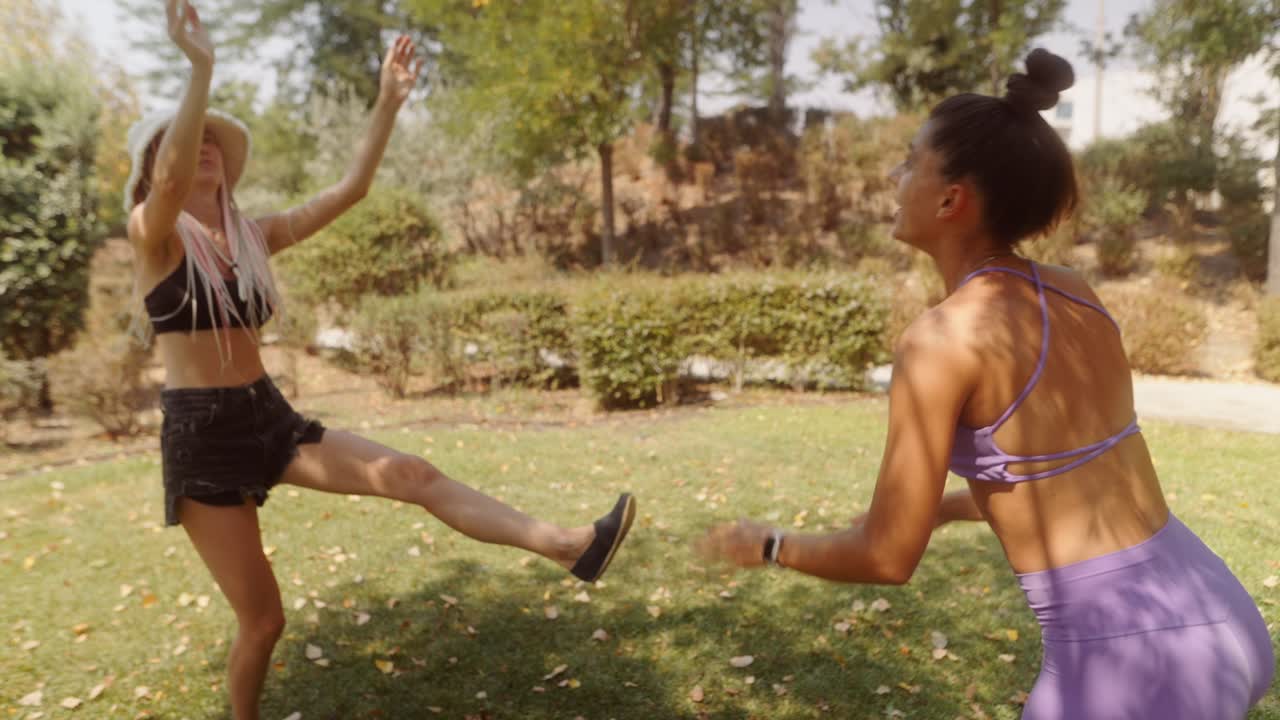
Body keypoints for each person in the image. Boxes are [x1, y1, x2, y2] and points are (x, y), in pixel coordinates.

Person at [698, 48, 1273, 719]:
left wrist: (771, 546)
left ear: (951, 198)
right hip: (1212, 605)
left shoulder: (941, 341)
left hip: (1129, 654)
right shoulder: (1075, 294)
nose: (893, 176)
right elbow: (1062, 470)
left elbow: (887, 558)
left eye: (909, 162)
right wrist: (943, 509)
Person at [126, 3, 635, 717]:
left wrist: (388, 103)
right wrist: (200, 70)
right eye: (188, 138)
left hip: (266, 414)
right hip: (202, 435)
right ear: (156, 164)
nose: (204, 145)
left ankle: (569, 546)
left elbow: (350, 191)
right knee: (264, 622)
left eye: (214, 138)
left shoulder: (253, 240)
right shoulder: (153, 236)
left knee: (412, 474)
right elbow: (170, 187)